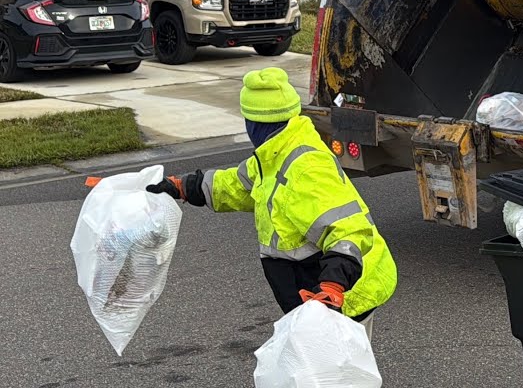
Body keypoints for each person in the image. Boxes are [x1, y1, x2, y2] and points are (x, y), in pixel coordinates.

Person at [148, 67, 396, 335]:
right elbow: (236, 185)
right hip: (313, 299)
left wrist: (332, 288)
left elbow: (349, 229)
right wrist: (183, 187)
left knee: (338, 375)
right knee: (321, 374)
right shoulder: (272, 156)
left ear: (253, 123)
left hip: (341, 298)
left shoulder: (307, 167)